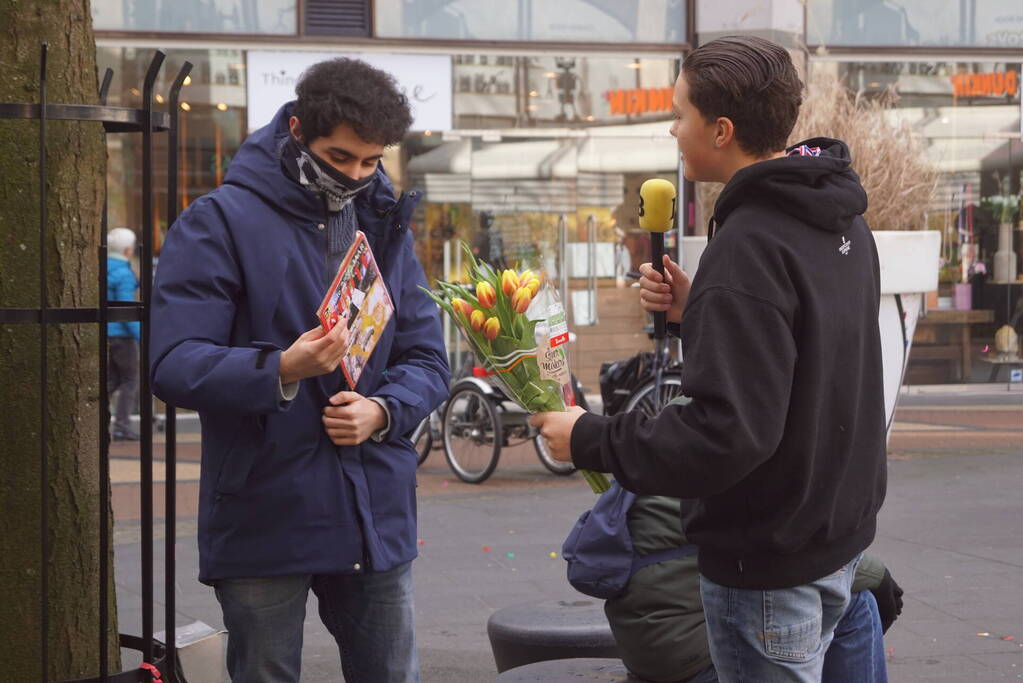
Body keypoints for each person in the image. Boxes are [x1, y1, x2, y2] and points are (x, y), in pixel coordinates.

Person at [531, 35, 887, 682]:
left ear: (720, 129)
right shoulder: (840, 220)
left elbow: (725, 434)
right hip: (835, 534)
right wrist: (701, 311)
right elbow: (805, 360)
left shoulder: (749, 245)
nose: (671, 128)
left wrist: (587, 437)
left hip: (768, 562)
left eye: (679, 113)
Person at [150, 58, 450, 682]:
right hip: (265, 507)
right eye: (341, 158)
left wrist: (385, 410)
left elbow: (427, 357)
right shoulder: (218, 221)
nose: (357, 176)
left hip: (372, 508)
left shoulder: (384, 222)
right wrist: (282, 367)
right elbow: (174, 363)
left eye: (372, 162)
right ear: (296, 130)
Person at [605, 494, 900, 683]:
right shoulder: (744, 437)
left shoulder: (671, 429)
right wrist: (878, 575)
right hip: (689, 655)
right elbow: (797, 551)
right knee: (858, 603)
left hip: (644, 640)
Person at [106, 227, 141, 441]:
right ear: (128, 250)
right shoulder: (124, 274)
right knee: (130, 380)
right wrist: (142, 336)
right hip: (123, 335)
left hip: (107, 332)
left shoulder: (104, 268)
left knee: (112, 380)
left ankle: (100, 418)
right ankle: (121, 425)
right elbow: (127, 309)